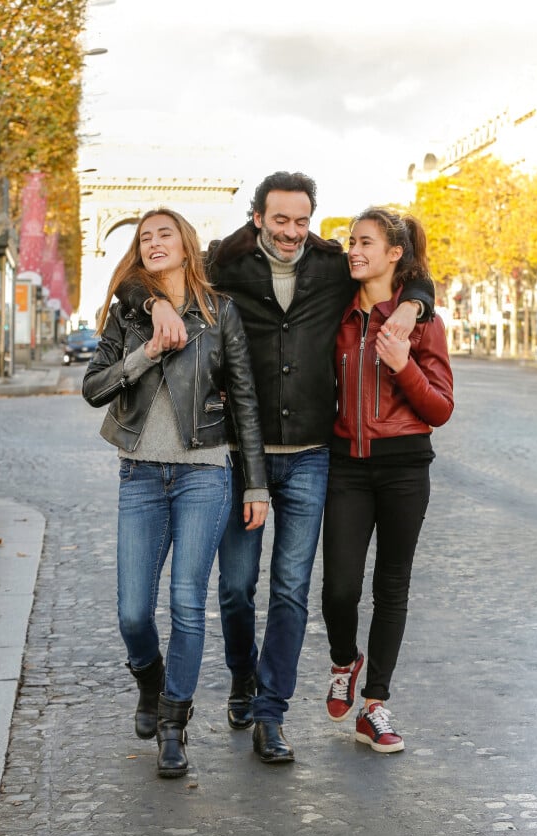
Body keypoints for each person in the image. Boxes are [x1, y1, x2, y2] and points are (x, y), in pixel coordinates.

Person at [114, 172, 435, 763]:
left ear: (311, 220)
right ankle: (241, 678)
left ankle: (270, 712)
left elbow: (406, 268)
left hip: (313, 454)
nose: (292, 231)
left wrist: (415, 306)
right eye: (280, 219)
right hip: (241, 454)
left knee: (289, 591)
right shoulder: (224, 266)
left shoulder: (335, 267)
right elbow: (147, 270)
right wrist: (154, 299)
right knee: (235, 588)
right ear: (257, 217)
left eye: (302, 220)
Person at [82, 208, 268, 779]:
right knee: (133, 612)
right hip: (139, 475)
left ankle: (173, 722)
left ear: (186, 245)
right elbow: (94, 388)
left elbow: (244, 400)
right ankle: (151, 680)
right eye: (145, 237)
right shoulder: (127, 313)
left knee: (188, 601)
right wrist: (147, 353)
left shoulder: (221, 313)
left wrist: (255, 481)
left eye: (165, 233)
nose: (155, 242)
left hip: (205, 472)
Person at [321, 207, 454, 753]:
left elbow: (441, 408)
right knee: (339, 588)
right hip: (347, 464)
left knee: (391, 586)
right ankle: (343, 660)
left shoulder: (423, 321)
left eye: (365, 242)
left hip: (404, 466)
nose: (353, 250)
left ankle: (375, 705)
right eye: (350, 241)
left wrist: (403, 364)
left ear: (394, 253)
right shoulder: (338, 311)